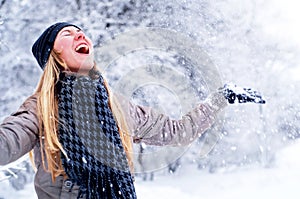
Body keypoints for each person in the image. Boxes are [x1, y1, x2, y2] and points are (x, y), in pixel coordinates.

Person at [0, 22, 265, 199]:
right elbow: (7, 142)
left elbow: (177, 132)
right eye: (67, 34)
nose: (80, 35)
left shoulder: (117, 107)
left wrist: (219, 99)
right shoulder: (41, 108)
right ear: (53, 57)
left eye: (80, 32)